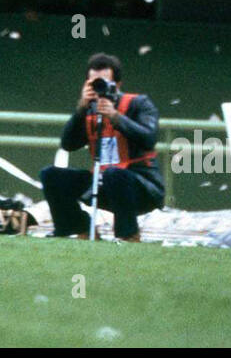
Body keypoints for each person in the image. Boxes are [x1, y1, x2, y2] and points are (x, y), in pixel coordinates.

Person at [39, 53, 164, 242]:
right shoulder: (89, 110)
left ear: (118, 84)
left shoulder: (139, 104)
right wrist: (80, 109)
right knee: (51, 175)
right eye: (94, 84)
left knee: (114, 174)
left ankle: (128, 235)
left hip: (141, 184)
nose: (100, 89)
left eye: (104, 83)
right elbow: (68, 144)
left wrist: (115, 117)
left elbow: (149, 138)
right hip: (105, 180)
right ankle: (78, 227)